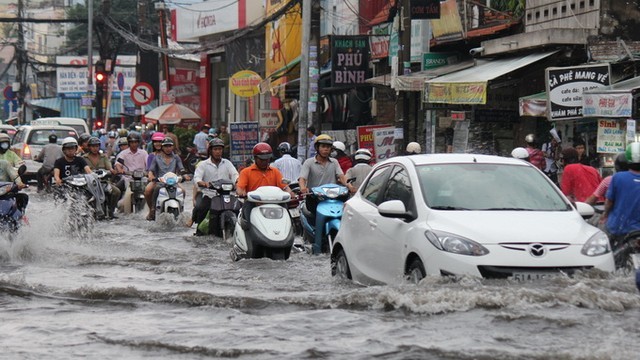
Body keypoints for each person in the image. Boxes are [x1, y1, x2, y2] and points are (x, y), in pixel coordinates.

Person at [189, 138, 239, 229]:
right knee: (200, 207)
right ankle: (199, 229)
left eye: (220, 149)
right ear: (211, 151)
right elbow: (197, 178)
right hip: (209, 194)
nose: (218, 152)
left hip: (226, 194)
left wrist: (237, 182)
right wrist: (204, 183)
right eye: (215, 149)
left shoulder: (227, 163)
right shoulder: (203, 164)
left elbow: (235, 174)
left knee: (238, 207)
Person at [236, 142, 293, 222]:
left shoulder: (275, 171)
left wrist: (291, 194)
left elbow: (285, 186)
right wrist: (242, 193)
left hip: (274, 204)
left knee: (288, 218)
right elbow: (240, 188)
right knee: (246, 223)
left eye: (267, 159)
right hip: (253, 204)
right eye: (261, 159)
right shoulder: (246, 172)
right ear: (255, 158)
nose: (264, 162)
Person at [601, 142, 640, 248]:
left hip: (619, 228)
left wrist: (605, 214)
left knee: (606, 250)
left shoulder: (618, 178)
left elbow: (609, 202)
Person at [145, 138, 188, 220]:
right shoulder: (157, 158)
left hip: (173, 181)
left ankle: (181, 208)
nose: (168, 148)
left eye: (170, 146)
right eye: (166, 146)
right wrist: (151, 176)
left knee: (183, 191)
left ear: (172, 147)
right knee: (148, 190)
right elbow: (151, 170)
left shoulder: (176, 158)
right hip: (160, 181)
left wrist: (185, 175)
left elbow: (181, 169)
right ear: (162, 147)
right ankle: (152, 209)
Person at [83, 137, 121, 218]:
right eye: (93, 146)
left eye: (96, 146)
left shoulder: (104, 157)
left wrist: (112, 171)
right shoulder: (84, 158)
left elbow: (109, 167)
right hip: (89, 184)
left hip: (103, 182)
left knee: (116, 192)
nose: (95, 148)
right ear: (89, 147)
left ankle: (111, 211)